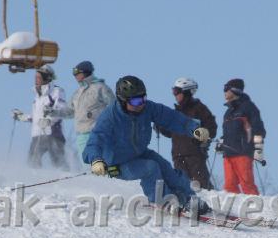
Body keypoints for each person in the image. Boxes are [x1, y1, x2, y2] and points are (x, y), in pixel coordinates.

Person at [82, 75, 212, 213]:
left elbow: (171, 118)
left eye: (143, 98)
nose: (141, 104)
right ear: (122, 100)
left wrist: (194, 129)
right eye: (136, 101)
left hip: (139, 153)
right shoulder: (110, 117)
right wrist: (96, 160)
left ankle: (189, 199)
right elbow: (95, 139)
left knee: (165, 167)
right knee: (150, 168)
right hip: (116, 164)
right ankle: (164, 201)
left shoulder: (147, 108)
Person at [48, 60, 114, 165]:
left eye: (77, 73)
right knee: (87, 164)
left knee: (99, 162)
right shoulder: (78, 93)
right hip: (81, 135)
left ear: (86, 73)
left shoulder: (100, 87)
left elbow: (114, 106)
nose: (75, 76)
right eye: (74, 74)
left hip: (97, 132)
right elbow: (70, 112)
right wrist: (53, 112)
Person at [158, 77, 217, 189]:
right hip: (178, 155)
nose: (175, 95)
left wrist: (202, 138)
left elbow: (211, 128)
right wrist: (161, 127)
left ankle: (213, 198)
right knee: (183, 186)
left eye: (177, 91)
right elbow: (171, 132)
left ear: (186, 92)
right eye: (173, 91)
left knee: (201, 185)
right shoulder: (176, 112)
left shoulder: (199, 109)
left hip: (195, 154)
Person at [12, 64, 69, 170]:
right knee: (32, 163)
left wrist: (49, 120)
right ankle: (36, 178)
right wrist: (21, 116)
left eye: (38, 77)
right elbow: (36, 117)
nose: (36, 80)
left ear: (46, 78)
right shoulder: (38, 96)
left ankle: (69, 178)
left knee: (59, 162)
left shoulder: (56, 91)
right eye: (35, 77)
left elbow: (61, 110)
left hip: (53, 134)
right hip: (37, 134)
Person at [217, 78, 266, 195]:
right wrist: (221, 142)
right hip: (228, 154)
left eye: (226, 89)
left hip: (243, 152)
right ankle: (233, 206)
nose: (224, 92)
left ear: (235, 90)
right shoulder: (228, 112)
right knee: (229, 186)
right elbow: (228, 132)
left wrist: (258, 150)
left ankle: (255, 205)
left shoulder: (249, 107)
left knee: (247, 184)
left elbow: (259, 130)